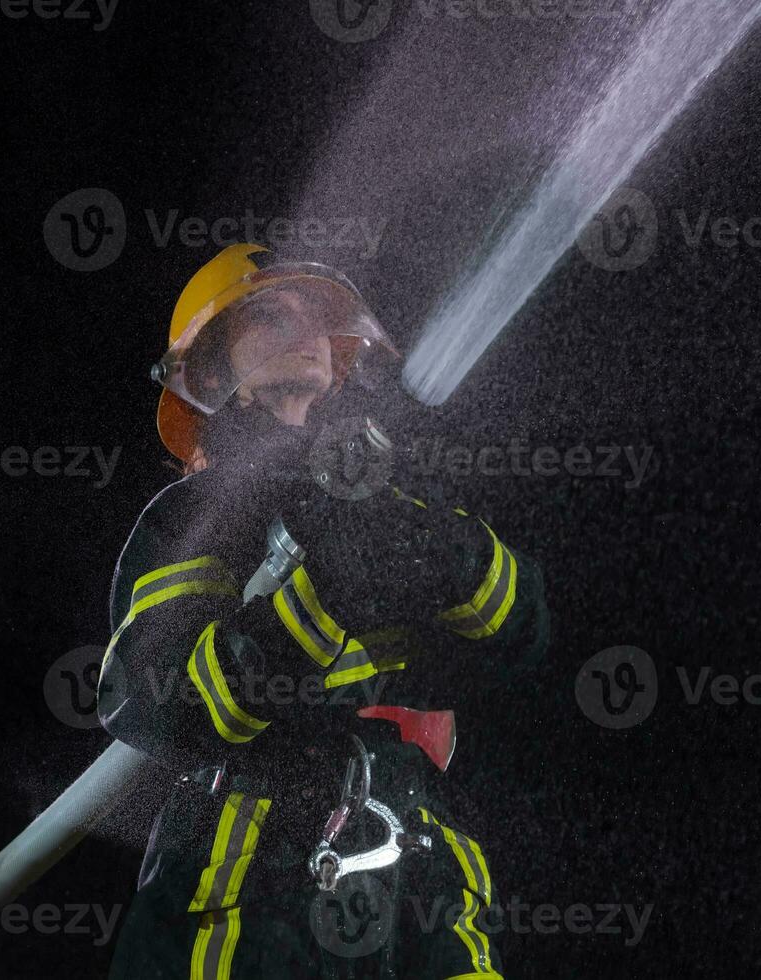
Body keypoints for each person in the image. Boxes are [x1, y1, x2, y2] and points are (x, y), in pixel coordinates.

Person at [98, 243, 550, 978]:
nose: (306, 332)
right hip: (254, 853)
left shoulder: (388, 498)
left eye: (318, 318)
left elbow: (516, 641)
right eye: (274, 316)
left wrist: (438, 549)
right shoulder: (203, 515)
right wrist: (319, 601)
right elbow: (153, 698)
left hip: (422, 855)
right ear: (211, 376)